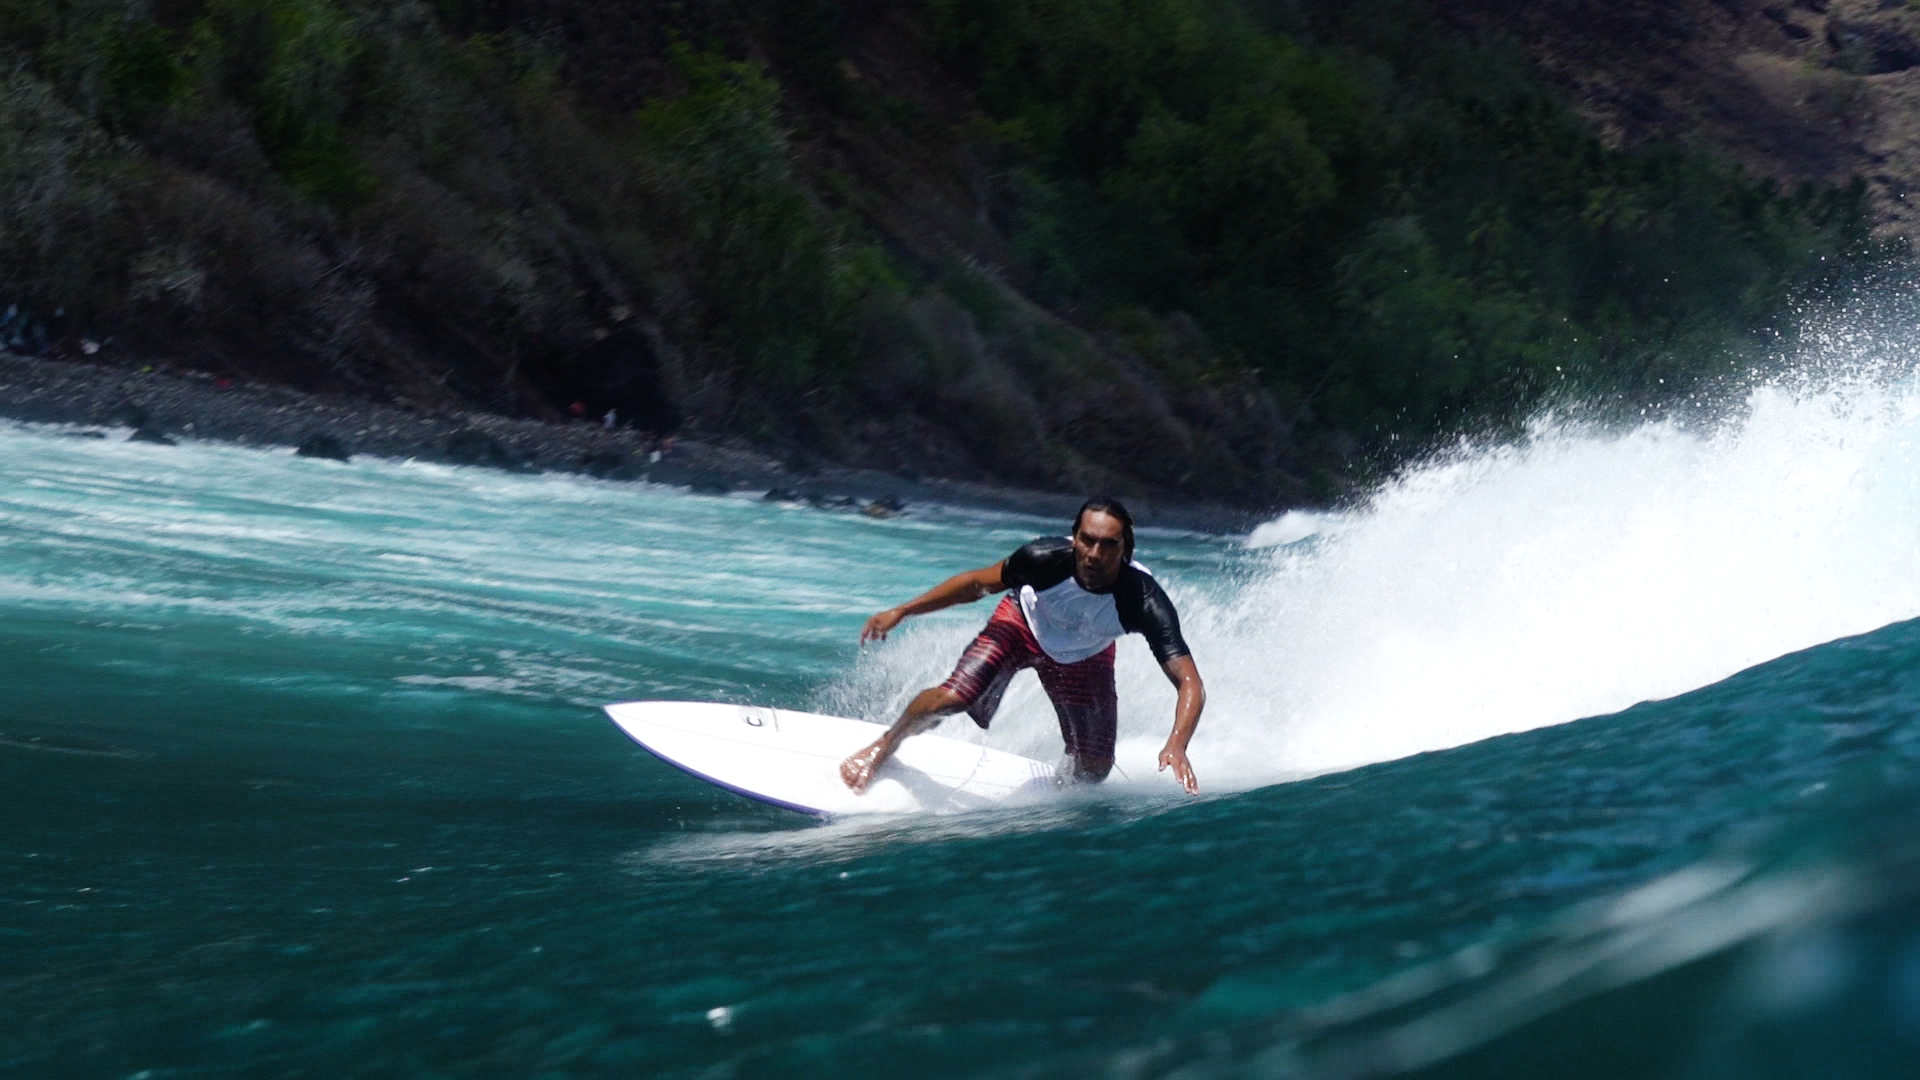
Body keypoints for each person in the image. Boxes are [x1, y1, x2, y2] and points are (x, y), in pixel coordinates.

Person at [840, 497, 1206, 795]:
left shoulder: (1143, 600)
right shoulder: (1043, 559)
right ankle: (885, 744)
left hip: (1085, 656)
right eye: (1087, 540)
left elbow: (1189, 682)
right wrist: (903, 611)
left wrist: (1177, 743)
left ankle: (1060, 789)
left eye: (1108, 544)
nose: (1095, 554)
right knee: (954, 697)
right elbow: (975, 584)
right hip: (1021, 624)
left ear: (1125, 549)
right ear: (1074, 538)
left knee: (1094, 769)